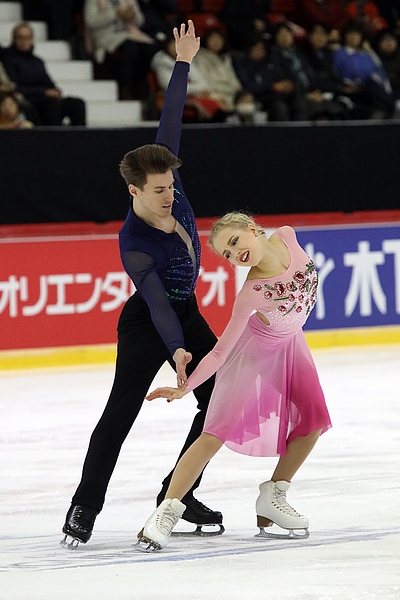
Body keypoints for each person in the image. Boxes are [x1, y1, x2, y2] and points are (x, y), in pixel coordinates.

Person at [61, 20, 223, 549]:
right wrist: (177, 349)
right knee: (120, 413)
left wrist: (182, 64)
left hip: (189, 312)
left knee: (219, 396)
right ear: (134, 190)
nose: (170, 194)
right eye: (158, 190)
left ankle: (176, 493)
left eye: (172, 185)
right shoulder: (134, 243)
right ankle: (84, 507)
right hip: (148, 325)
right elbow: (155, 303)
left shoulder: (168, 180)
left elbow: (171, 121)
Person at [137, 212, 332, 551]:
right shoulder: (251, 294)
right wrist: (186, 387)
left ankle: (273, 495)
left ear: (253, 230)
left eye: (234, 242)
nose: (233, 254)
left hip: (291, 343)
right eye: (226, 254)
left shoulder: (287, 236)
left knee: (313, 421)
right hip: (252, 355)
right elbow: (219, 352)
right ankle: (166, 511)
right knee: (213, 433)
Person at [1, 23, 86, 126]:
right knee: (51, 104)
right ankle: (53, 138)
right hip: (28, 99)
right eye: (20, 37)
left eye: (27, 38)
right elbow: (15, 87)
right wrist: (43, 92)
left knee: (77, 104)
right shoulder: (8, 59)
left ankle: (80, 138)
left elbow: (48, 82)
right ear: (14, 39)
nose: (24, 41)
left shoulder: (37, 61)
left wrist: (55, 91)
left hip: (46, 98)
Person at [83, 0, 159, 99]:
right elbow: (90, 21)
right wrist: (115, 14)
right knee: (130, 47)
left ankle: (140, 85)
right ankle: (125, 86)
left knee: (150, 48)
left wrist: (132, 16)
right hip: (106, 37)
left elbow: (141, 21)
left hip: (130, 33)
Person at [333, 22, 395, 119]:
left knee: (374, 87)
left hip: (368, 86)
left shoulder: (368, 54)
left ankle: (386, 110)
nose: (353, 37)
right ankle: (390, 107)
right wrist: (343, 85)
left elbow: (378, 71)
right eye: (350, 34)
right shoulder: (339, 53)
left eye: (356, 34)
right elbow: (335, 72)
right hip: (351, 87)